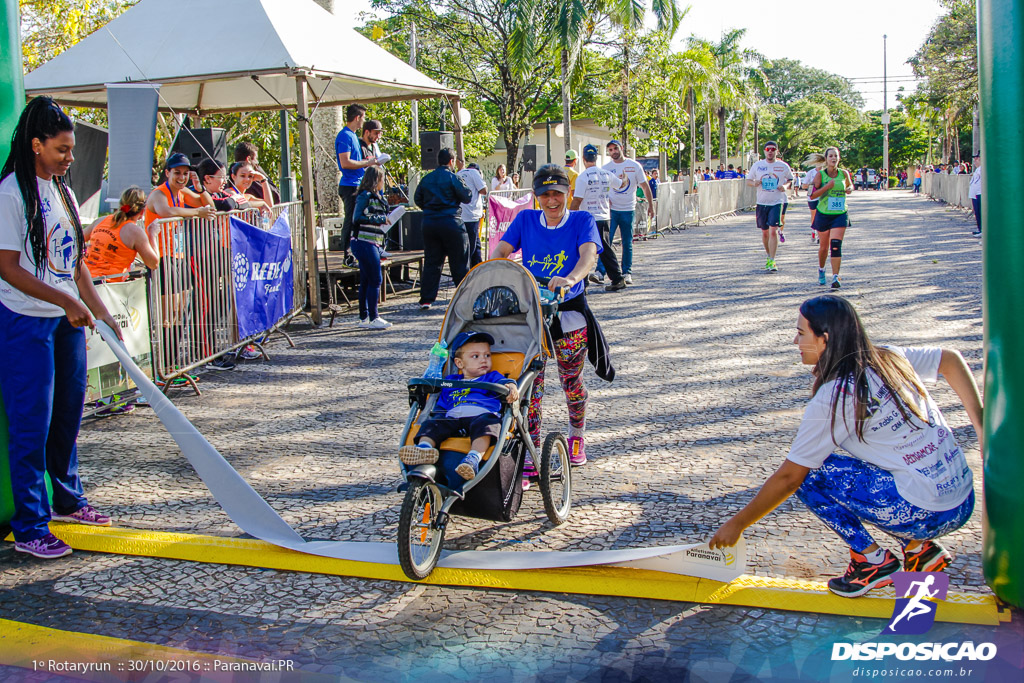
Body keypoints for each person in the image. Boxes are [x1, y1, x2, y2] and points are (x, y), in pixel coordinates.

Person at [710, 295, 982, 597]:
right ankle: (919, 551)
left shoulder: (833, 397)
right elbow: (950, 359)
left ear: (824, 339)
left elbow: (789, 478)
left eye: (801, 333)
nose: (795, 340)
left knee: (811, 473)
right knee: (870, 463)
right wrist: (981, 424)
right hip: (963, 501)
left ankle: (872, 561)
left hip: (926, 514)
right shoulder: (889, 357)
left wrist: (738, 523)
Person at [0, 96, 121, 559]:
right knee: (31, 423)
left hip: (64, 321)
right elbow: (9, 268)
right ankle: (31, 524)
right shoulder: (13, 193)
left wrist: (101, 310)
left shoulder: (63, 191)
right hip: (25, 322)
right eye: (62, 149)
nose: (70, 158)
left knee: (68, 415)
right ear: (36, 144)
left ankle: (68, 500)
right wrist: (65, 301)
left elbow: (75, 266)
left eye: (71, 150)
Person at [492, 164, 615, 481]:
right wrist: (494, 270)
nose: (551, 201)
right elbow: (502, 251)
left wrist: (571, 277)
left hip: (569, 313)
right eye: (544, 194)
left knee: (571, 381)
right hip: (532, 314)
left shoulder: (581, 220)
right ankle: (532, 451)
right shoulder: (525, 220)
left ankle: (576, 436)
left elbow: (589, 255)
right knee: (531, 387)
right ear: (535, 196)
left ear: (567, 193)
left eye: (557, 194)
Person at [398, 331, 520, 481]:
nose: (484, 360)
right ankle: (424, 448)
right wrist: (438, 417)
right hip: (453, 417)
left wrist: (512, 388)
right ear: (459, 363)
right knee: (432, 424)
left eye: (487, 355)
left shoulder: (491, 377)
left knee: (487, 427)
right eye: (476, 356)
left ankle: (473, 458)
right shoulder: (451, 381)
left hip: (482, 415)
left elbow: (506, 383)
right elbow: (442, 405)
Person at [414, 148, 472, 310]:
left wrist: (429, 209)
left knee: (432, 261)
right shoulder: (453, 177)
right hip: (451, 222)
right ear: (451, 161)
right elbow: (467, 196)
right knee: (459, 261)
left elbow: (417, 198)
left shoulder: (426, 179)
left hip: (430, 223)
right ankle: (463, 297)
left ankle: (426, 299)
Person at [591, 140, 652, 286]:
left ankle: (626, 272)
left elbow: (644, 186)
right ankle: (600, 272)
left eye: (615, 148)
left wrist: (651, 205)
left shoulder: (634, 166)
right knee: (606, 242)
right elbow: (601, 189)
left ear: (622, 148)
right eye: (610, 150)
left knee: (627, 242)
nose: (613, 152)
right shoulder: (606, 168)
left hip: (628, 209)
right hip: (610, 211)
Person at [574, 144, 628, 292]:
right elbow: (621, 184)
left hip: (587, 218)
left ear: (584, 159)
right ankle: (617, 279)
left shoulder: (582, 177)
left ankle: (582, 284)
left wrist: (569, 216)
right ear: (596, 158)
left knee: (582, 250)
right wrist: (626, 178)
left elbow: (577, 200)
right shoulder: (606, 174)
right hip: (604, 217)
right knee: (605, 249)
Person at [83, 187, 159, 282]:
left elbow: (77, 239)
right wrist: (152, 235)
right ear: (142, 212)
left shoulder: (100, 220)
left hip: (85, 280)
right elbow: (153, 263)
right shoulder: (135, 232)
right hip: (108, 286)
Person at [349, 166, 392, 330]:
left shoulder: (374, 196)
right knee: (375, 279)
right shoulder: (364, 196)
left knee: (366, 280)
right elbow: (357, 217)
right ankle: (373, 316)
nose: (383, 183)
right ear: (376, 180)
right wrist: (381, 218)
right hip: (364, 241)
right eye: (381, 179)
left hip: (372, 241)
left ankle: (364, 316)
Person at [336, 103, 379, 264]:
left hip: (359, 183)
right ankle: (347, 254)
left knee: (360, 220)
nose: (364, 122)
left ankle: (359, 251)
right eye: (363, 118)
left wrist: (368, 162)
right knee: (351, 220)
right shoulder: (345, 136)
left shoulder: (354, 136)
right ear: (357, 118)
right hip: (350, 184)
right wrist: (366, 163)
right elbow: (345, 162)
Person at [807, 147, 854, 289]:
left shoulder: (843, 173)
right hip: (823, 213)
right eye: (831, 156)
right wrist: (826, 187)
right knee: (824, 247)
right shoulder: (820, 175)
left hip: (840, 213)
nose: (833, 158)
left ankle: (835, 276)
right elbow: (812, 195)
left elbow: (850, 185)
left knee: (836, 245)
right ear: (826, 159)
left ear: (839, 158)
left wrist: (850, 188)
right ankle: (821, 269)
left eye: (836, 156)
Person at [747, 141, 793, 272]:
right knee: (765, 232)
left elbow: (791, 179)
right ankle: (768, 255)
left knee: (773, 230)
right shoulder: (758, 165)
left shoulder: (782, 166)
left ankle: (772, 260)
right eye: (768, 149)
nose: (770, 151)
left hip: (776, 202)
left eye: (773, 149)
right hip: (762, 202)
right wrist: (754, 183)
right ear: (765, 151)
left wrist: (785, 186)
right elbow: (748, 181)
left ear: (777, 151)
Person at [456, 159, 488, 267]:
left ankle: (477, 267)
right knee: (471, 245)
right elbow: (484, 190)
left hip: (460, 214)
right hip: (471, 214)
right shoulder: (474, 173)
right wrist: (481, 178)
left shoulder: (458, 173)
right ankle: (466, 272)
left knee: (476, 244)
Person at [802, 165, 820, 244]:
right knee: (814, 215)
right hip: (812, 196)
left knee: (821, 215)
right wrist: (813, 185)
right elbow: (803, 185)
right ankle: (813, 230)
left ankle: (820, 235)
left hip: (822, 197)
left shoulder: (826, 172)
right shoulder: (811, 172)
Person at [969, 152, 982, 238]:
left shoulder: (983, 169)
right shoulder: (978, 169)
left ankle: (982, 229)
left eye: (977, 159)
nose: (975, 161)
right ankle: (980, 229)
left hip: (980, 193)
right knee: (977, 212)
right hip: (975, 194)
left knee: (981, 212)